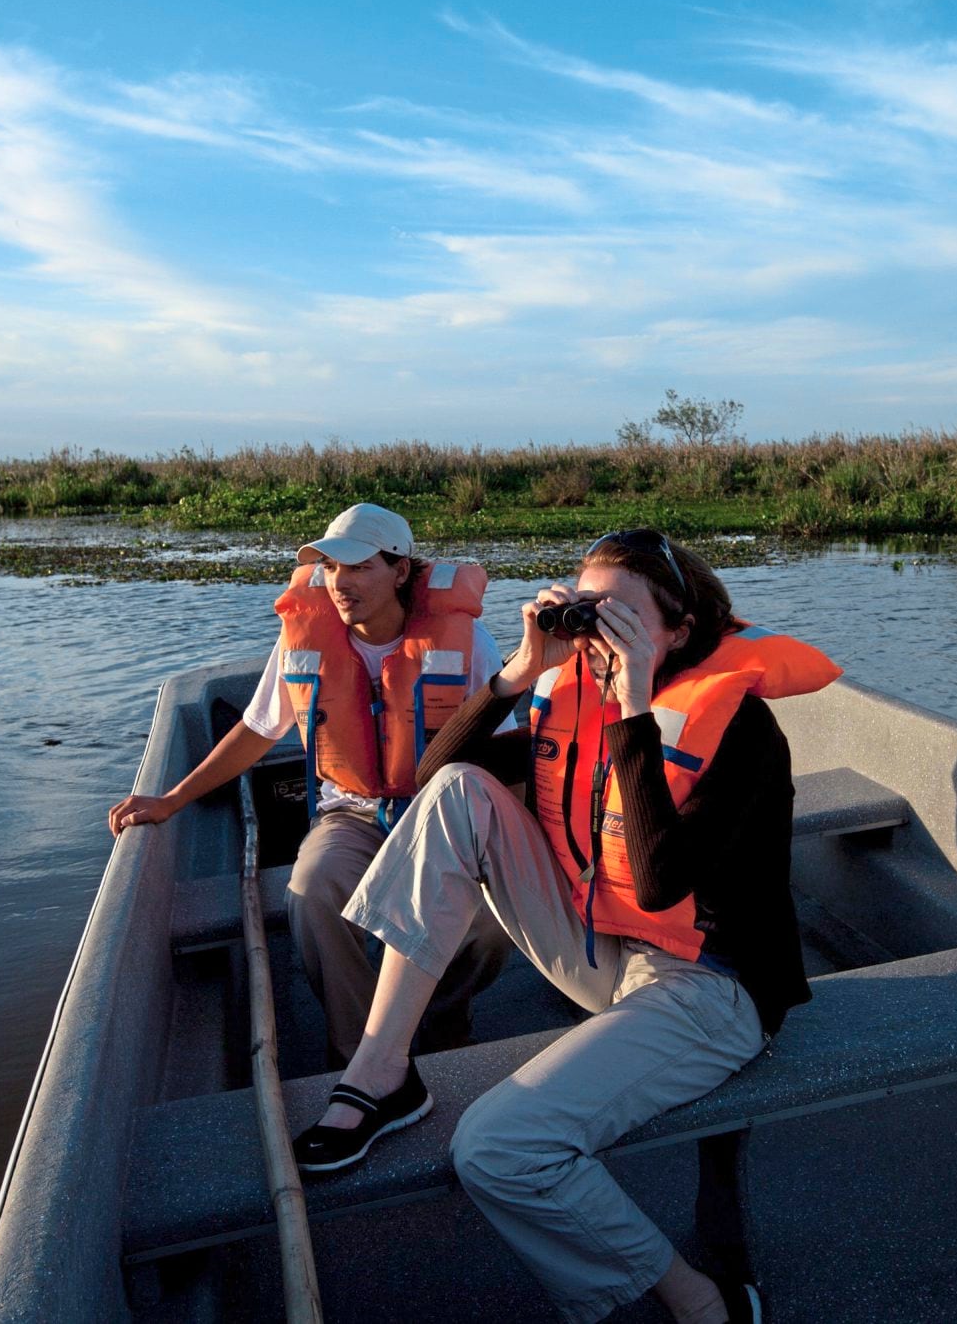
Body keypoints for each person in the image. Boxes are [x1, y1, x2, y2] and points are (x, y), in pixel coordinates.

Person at [292, 529, 841, 1324]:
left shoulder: (741, 731)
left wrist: (636, 707)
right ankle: (382, 1071)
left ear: (680, 628)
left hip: (710, 984)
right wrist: (521, 670)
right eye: (592, 613)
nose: (601, 635)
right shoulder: (571, 691)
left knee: (496, 1148)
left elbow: (658, 887)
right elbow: (427, 778)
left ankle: (705, 1303)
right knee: (458, 795)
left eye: (623, 617)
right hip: (608, 950)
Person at [108, 503, 510, 1066]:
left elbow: (506, 748)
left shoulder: (470, 643)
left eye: (359, 568)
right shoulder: (303, 640)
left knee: (488, 925)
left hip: (439, 812)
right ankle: (360, 1053)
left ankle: (441, 1021)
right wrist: (172, 799)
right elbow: (256, 729)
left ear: (400, 571)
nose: (340, 584)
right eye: (329, 568)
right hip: (351, 812)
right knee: (312, 894)